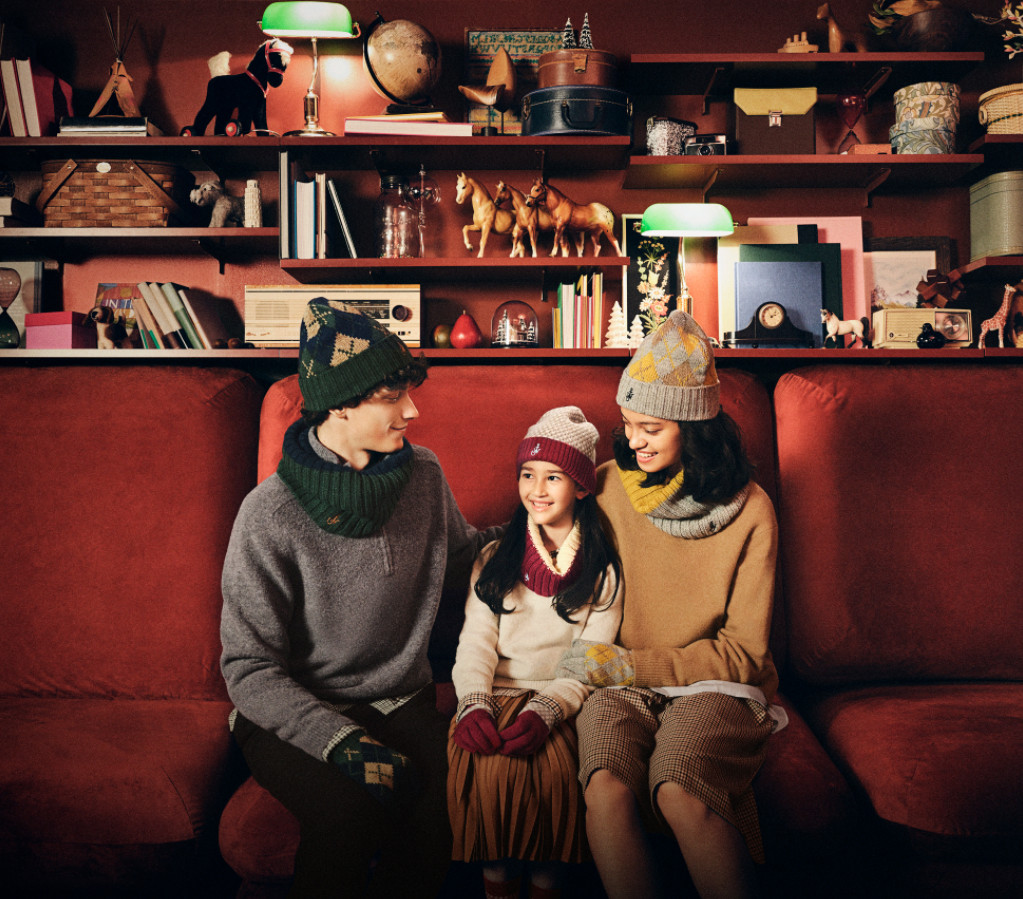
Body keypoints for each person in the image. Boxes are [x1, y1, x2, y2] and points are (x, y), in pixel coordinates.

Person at [220, 298, 499, 898]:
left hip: (400, 698)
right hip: (294, 708)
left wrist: (551, 524)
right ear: (341, 405)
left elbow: (462, 561)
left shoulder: (423, 475)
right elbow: (248, 669)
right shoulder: (268, 514)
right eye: (392, 396)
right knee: (349, 815)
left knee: (447, 801)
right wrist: (341, 743)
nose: (412, 409)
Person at [556, 311, 787, 899]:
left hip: (716, 685)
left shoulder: (753, 510)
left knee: (680, 787)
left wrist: (633, 666)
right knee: (604, 784)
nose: (633, 440)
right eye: (628, 424)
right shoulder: (607, 485)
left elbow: (743, 653)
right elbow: (539, 550)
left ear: (694, 427)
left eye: (651, 428)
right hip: (617, 683)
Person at [448, 406, 623, 899]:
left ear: (582, 488)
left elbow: (591, 658)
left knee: (551, 780)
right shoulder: (493, 559)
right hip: (496, 692)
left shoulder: (603, 571)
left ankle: (548, 884)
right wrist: (473, 702)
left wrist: (549, 709)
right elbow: (475, 643)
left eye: (554, 477)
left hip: (559, 700)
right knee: (490, 776)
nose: (537, 489)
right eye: (528, 474)